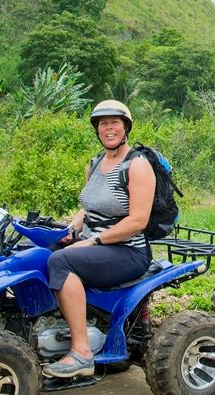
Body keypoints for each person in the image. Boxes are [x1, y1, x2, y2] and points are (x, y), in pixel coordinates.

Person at [42, 100, 155, 378]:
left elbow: (138, 221)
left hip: (128, 251)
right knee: (39, 252)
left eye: (114, 122)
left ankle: (81, 352)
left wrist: (93, 241)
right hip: (98, 242)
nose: (109, 128)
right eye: (103, 123)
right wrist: (70, 229)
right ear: (97, 129)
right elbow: (89, 206)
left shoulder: (137, 165)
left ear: (125, 127)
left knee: (60, 262)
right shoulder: (95, 163)